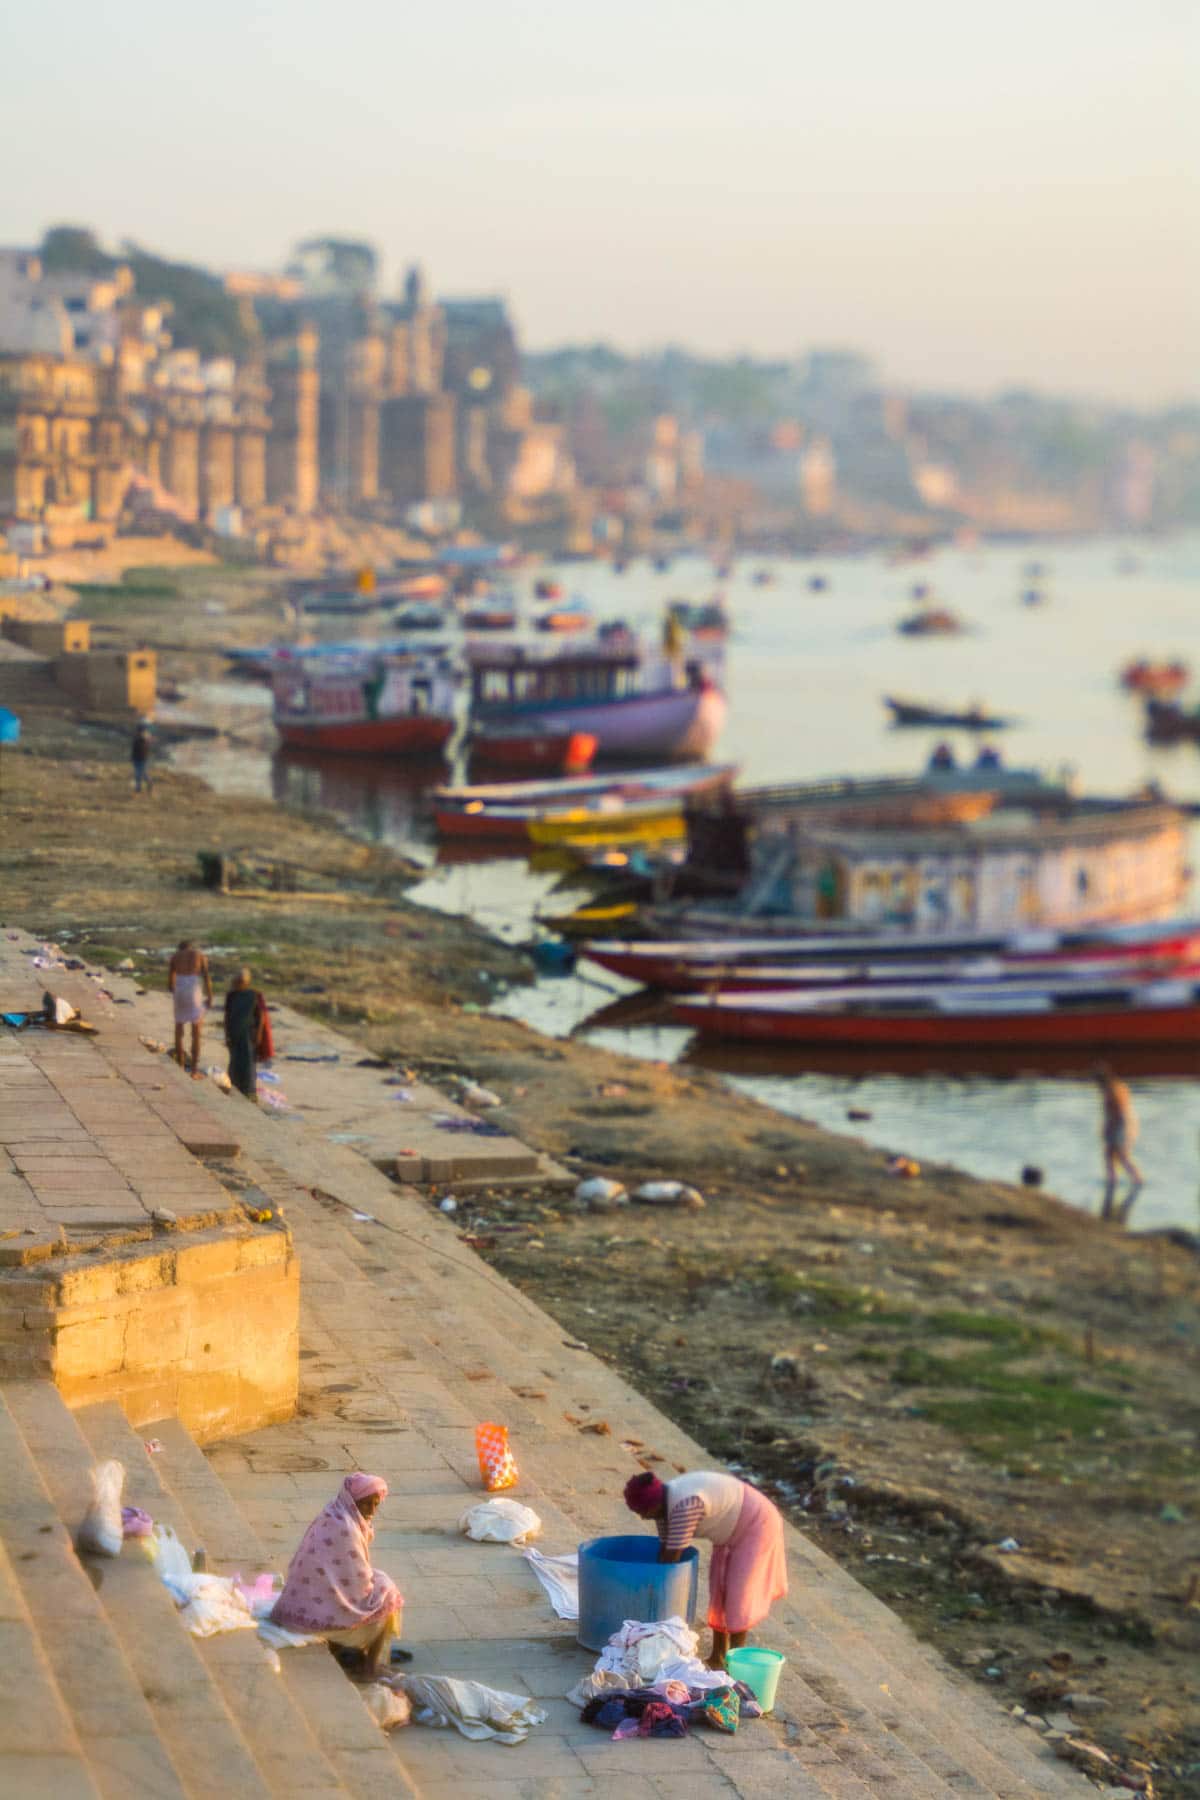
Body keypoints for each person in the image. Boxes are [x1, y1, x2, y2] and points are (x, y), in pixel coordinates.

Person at [624, 1468, 788, 1668]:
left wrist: (647, 1593)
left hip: (757, 1524)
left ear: (653, 1505)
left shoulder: (686, 1505)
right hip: (729, 1533)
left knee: (739, 1596)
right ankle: (718, 1656)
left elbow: (673, 1556)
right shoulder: (663, 1506)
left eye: (642, 1512)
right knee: (719, 1591)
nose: (642, 1517)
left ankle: (736, 1662)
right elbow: (665, 1550)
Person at [269, 1473, 403, 1680]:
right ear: (353, 1501)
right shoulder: (346, 1530)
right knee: (388, 1596)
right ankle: (371, 1667)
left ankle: (340, 1651)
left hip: (299, 1607)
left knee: (377, 1583)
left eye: (376, 1504)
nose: (372, 1510)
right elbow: (356, 1587)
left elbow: (344, 1576)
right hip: (315, 1619)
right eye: (367, 1504)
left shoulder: (332, 1513)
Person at [1094, 1063, 1143, 1220]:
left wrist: (1109, 1127)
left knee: (1122, 1156)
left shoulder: (1114, 1090)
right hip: (1121, 1122)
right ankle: (1112, 1181)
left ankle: (1138, 1181)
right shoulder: (1111, 1089)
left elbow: (1119, 1112)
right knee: (1108, 1153)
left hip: (1123, 1123)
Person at [167, 941, 212, 1077]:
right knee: (196, 1031)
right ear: (190, 947)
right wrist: (210, 995)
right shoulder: (199, 955)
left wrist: (175, 990)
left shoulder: (175, 957)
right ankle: (193, 1070)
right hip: (193, 989)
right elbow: (206, 977)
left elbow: (170, 983)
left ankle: (180, 1064)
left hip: (179, 989)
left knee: (179, 1028)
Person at [223, 967, 269, 1100]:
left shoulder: (254, 995)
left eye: (240, 982)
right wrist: (226, 1034)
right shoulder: (231, 996)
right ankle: (234, 1085)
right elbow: (227, 1016)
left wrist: (259, 1034)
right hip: (234, 1033)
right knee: (235, 1060)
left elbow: (261, 1016)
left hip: (249, 1034)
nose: (237, 984)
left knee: (249, 1061)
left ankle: (249, 1091)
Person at [131, 720, 152, 793]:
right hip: (137, 758)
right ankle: (138, 788)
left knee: (141, 774)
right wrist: (132, 757)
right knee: (138, 774)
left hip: (143, 759)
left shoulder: (145, 738)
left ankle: (148, 783)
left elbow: (144, 748)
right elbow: (134, 748)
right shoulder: (137, 737)